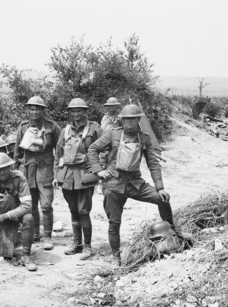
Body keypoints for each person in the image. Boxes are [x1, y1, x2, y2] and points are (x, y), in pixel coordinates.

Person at [87, 104, 178, 265]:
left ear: (138, 119)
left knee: (162, 198)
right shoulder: (112, 134)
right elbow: (93, 149)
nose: (130, 122)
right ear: (122, 120)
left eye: (133, 119)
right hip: (113, 184)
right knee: (114, 223)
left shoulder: (144, 138)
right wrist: (98, 171)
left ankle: (172, 234)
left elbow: (153, 163)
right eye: (126, 119)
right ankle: (116, 257)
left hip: (135, 184)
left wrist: (160, 187)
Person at [53, 98, 103, 260]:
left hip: (85, 174)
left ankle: (87, 246)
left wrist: (97, 167)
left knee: (84, 210)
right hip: (67, 175)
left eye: (79, 111)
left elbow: (105, 149)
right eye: (73, 111)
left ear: (85, 111)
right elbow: (58, 154)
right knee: (73, 210)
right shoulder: (65, 130)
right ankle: (77, 243)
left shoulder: (94, 128)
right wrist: (55, 175)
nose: (76, 114)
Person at [14, 96, 61, 250]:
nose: (34, 112)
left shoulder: (51, 127)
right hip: (28, 169)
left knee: (46, 205)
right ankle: (34, 234)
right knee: (31, 204)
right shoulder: (23, 127)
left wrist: (57, 171)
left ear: (43, 110)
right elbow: (17, 151)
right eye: (31, 109)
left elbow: (60, 148)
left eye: (37, 109)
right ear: (28, 110)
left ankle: (47, 236)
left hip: (45, 169)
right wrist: (16, 170)